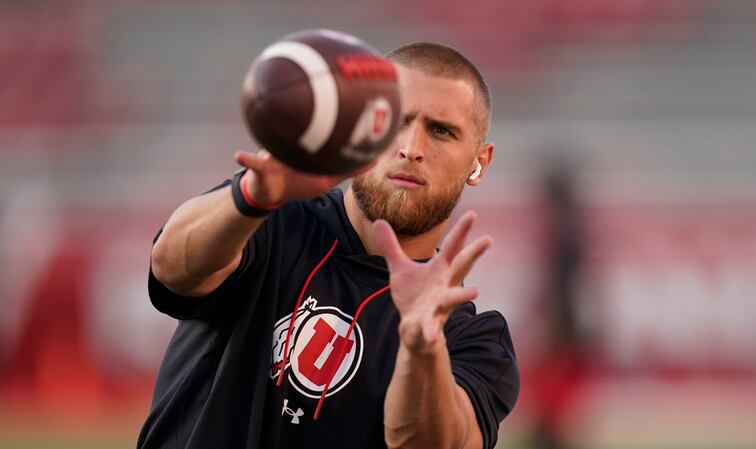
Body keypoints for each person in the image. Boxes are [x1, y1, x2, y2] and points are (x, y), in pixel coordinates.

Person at [138, 42, 519, 449]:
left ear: (479, 163)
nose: (411, 147)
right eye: (394, 122)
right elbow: (171, 271)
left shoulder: (470, 337)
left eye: (441, 130)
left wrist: (421, 345)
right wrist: (250, 196)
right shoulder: (272, 218)